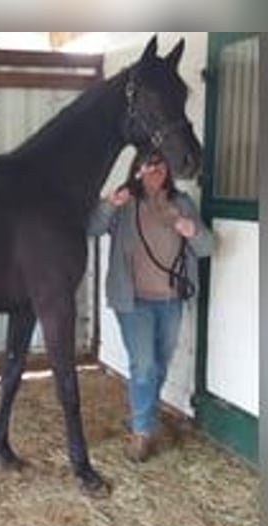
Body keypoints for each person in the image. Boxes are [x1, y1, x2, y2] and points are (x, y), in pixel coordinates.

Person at [88, 150, 214, 462]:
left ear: (168, 169)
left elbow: (208, 247)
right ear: (138, 170)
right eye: (148, 164)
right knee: (143, 365)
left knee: (158, 364)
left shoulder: (181, 203)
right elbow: (91, 228)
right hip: (133, 301)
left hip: (171, 300)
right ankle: (143, 432)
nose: (155, 169)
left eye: (161, 164)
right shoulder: (125, 202)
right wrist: (108, 204)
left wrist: (192, 230)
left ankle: (141, 417)